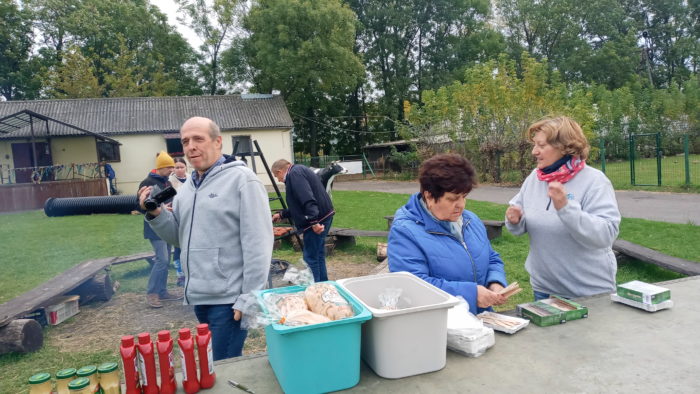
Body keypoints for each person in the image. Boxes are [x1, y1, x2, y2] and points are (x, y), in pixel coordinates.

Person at [139, 117, 273, 360]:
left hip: (230, 300)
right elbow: (181, 239)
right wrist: (156, 214)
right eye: (186, 141)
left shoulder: (242, 181)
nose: (191, 146)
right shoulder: (187, 188)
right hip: (200, 296)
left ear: (218, 142)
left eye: (198, 139)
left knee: (223, 366)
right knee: (213, 366)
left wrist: (250, 297)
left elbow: (259, 245)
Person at [505, 116, 621, 301]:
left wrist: (566, 208)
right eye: (534, 145)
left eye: (541, 146)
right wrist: (515, 220)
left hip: (589, 292)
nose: (534, 152)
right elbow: (520, 225)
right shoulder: (535, 177)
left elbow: (606, 235)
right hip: (544, 289)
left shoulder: (594, 181)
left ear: (564, 147)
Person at [388, 154, 508, 315]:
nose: (461, 205)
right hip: (438, 325)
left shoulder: (470, 220)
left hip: (479, 322)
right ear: (429, 196)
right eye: (453, 199)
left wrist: (495, 282)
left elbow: (491, 257)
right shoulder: (405, 232)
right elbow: (413, 286)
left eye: (464, 197)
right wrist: (471, 294)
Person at [271, 159, 334, 282]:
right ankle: (322, 284)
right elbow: (298, 203)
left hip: (318, 220)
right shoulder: (298, 171)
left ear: (279, 171)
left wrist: (314, 222)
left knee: (310, 257)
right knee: (318, 254)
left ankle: (315, 289)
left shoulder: (294, 174)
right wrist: (282, 214)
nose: (278, 180)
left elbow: (307, 198)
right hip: (324, 216)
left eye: (276, 176)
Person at [139, 151, 180, 309]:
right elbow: (142, 207)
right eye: (169, 167)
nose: (172, 170)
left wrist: (168, 208)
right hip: (155, 228)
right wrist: (161, 209)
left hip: (167, 225)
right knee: (162, 260)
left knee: (165, 260)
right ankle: (152, 293)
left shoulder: (166, 183)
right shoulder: (148, 183)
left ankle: (162, 292)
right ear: (160, 167)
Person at [168, 157, 189, 287]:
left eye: (182, 167)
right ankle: (180, 274)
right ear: (173, 169)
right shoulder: (170, 182)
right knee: (178, 245)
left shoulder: (192, 178)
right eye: (177, 167)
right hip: (176, 215)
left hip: (190, 214)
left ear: (186, 167)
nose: (180, 170)